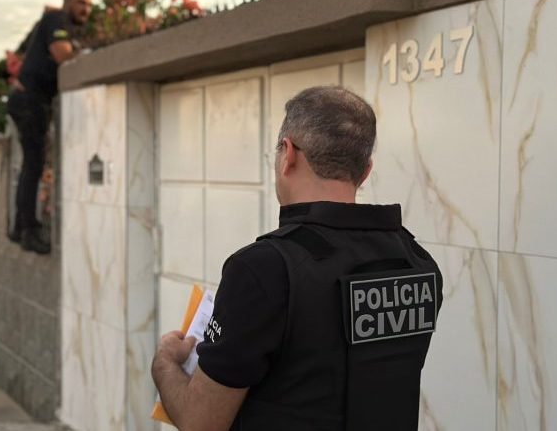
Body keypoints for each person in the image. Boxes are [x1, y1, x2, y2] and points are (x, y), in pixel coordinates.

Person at [151, 86, 444, 430]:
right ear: (365, 171)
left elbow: (200, 421)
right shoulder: (417, 262)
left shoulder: (263, 269)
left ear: (288, 154)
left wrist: (165, 362)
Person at [7, 0, 92, 254]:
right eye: (81, 3)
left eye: (89, 5)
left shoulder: (59, 23)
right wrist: (82, 53)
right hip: (30, 100)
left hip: (28, 100)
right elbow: (62, 54)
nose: (86, 10)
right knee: (33, 165)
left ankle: (19, 227)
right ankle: (29, 231)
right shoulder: (57, 19)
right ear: (67, 2)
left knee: (31, 165)